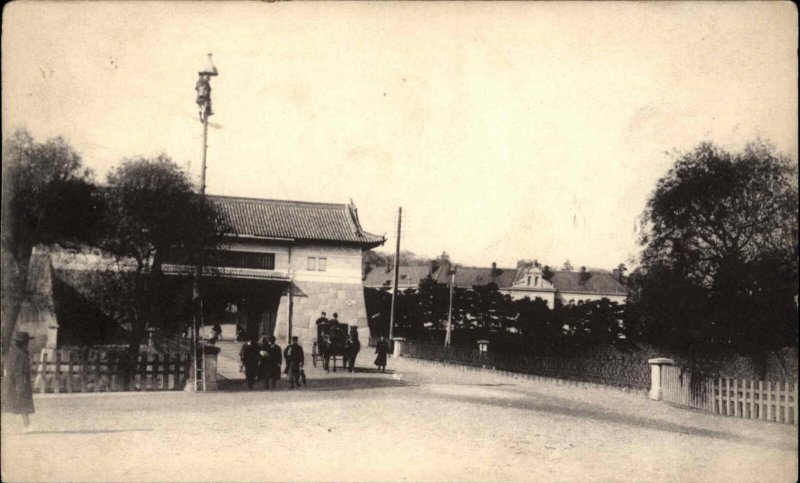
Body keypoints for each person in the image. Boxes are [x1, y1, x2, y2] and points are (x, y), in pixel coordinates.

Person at [1, 332, 35, 432]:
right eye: (27, 342)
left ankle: (26, 425)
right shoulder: (21, 355)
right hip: (18, 383)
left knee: (11, 404)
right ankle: (27, 426)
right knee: (22, 404)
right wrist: (20, 386)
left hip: (9, 383)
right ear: (24, 343)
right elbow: (19, 372)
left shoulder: (11, 353)